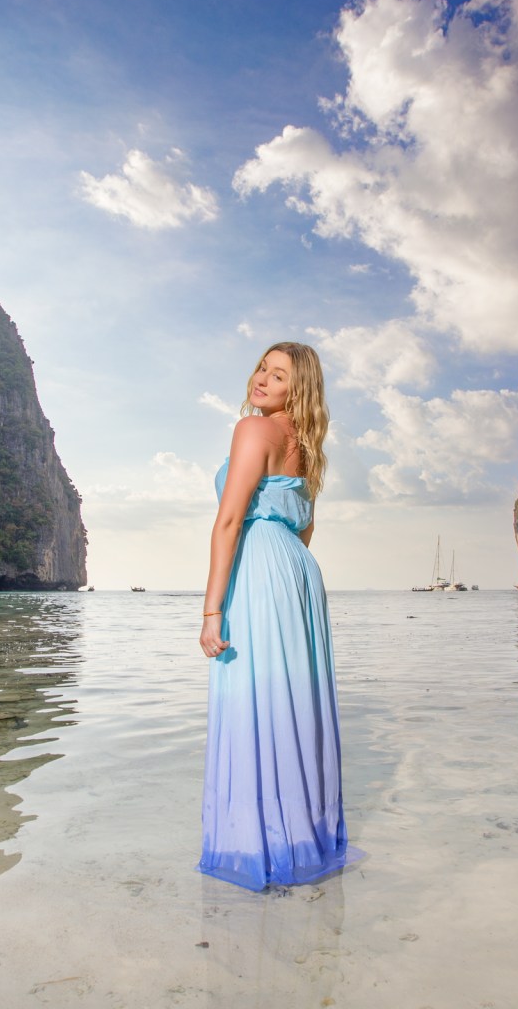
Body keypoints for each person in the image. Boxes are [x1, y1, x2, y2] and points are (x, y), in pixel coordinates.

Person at [197, 341, 349, 890]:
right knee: (294, 703)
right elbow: (304, 527)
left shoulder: (251, 431)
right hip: (299, 572)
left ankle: (255, 845)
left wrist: (213, 609)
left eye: (278, 375)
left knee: (255, 701)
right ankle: (301, 839)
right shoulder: (307, 446)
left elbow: (229, 521)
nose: (261, 378)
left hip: (259, 571)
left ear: (297, 389)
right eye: (263, 366)